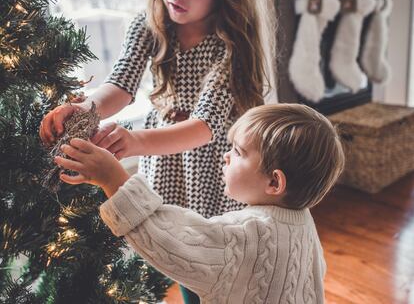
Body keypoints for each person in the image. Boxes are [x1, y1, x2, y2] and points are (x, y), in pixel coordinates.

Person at [40, 0, 275, 301]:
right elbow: (121, 84)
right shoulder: (150, 23)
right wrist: (87, 108)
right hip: (164, 163)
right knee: (166, 243)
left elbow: (205, 126)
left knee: (205, 255)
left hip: (210, 165)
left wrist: (136, 141)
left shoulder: (231, 42)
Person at [54, 103, 345, 303]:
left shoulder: (247, 234)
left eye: (239, 152)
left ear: (274, 183)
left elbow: (166, 239)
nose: (226, 156)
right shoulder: (302, 220)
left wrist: (113, 179)